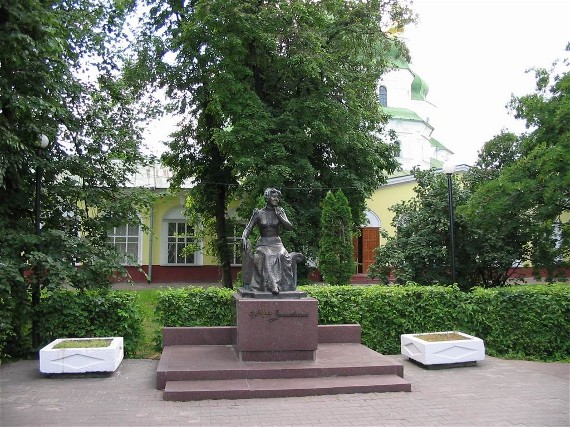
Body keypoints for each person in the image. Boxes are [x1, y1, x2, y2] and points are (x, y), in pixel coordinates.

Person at [241, 188, 302, 294]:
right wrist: (244, 236)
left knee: (282, 255)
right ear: (267, 197)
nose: (277, 199)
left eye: (278, 197)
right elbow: (248, 228)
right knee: (266, 255)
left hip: (277, 243)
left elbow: (289, 227)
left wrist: (280, 216)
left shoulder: (280, 211)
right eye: (274, 197)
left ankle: (280, 285)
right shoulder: (258, 213)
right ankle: (273, 285)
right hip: (264, 243)